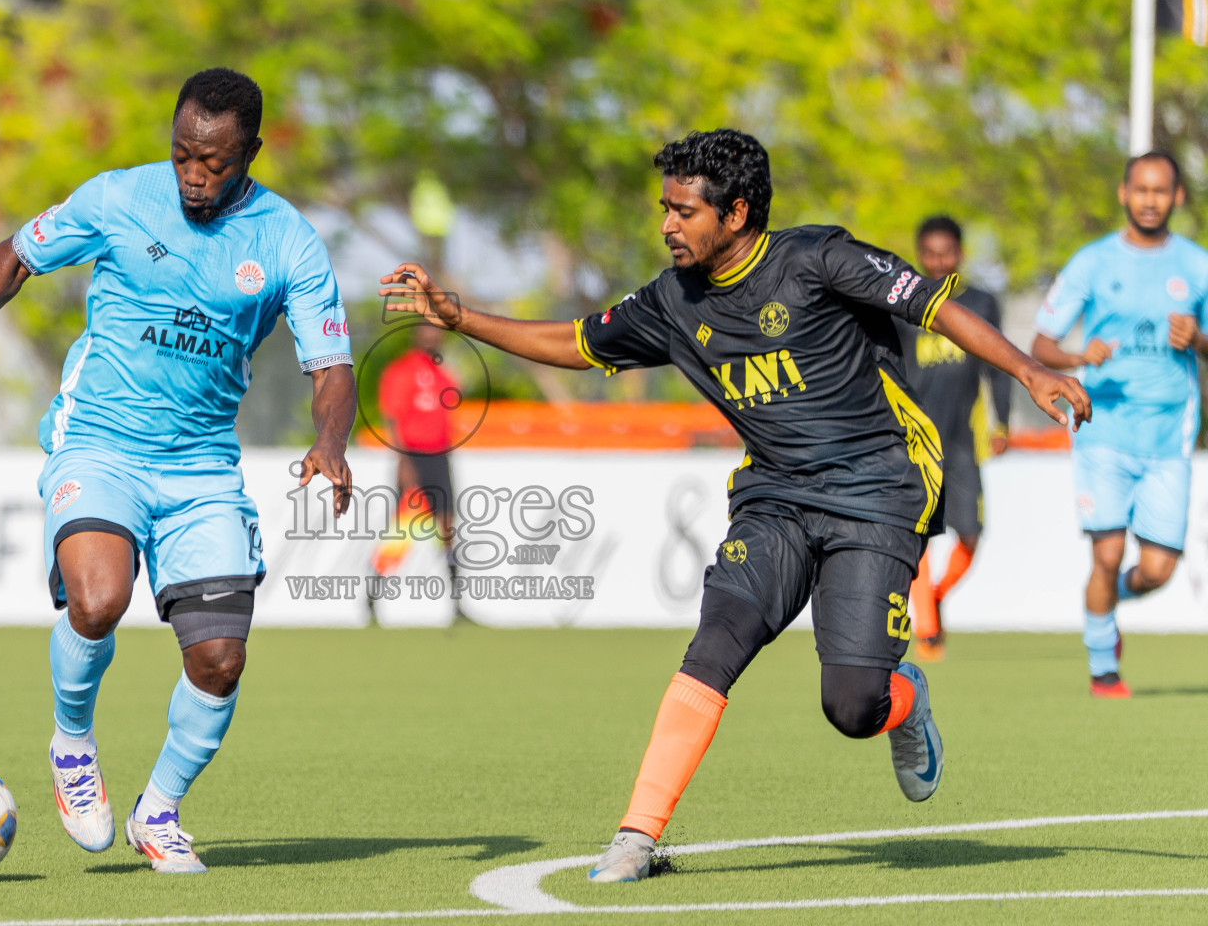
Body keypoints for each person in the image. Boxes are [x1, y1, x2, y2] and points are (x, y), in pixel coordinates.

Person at [381, 129, 1089, 883]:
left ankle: (906, 699)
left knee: (852, 705)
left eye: (684, 211)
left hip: (877, 488)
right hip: (774, 496)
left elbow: (937, 309)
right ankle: (635, 835)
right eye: (665, 208)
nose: (667, 225)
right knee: (717, 639)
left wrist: (1029, 369)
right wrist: (460, 316)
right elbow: (576, 341)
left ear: (737, 210)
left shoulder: (819, 258)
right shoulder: (672, 300)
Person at [0, 68, 356, 873]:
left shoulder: (288, 240)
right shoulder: (119, 199)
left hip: (201, 471)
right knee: (98, 599)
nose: (193, 175)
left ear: (250, 154)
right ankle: (72, 742)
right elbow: (20, 254)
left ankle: (158, 811)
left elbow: (330, 365)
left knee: (220, 661)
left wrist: (330, 444)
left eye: (214, 163)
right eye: (182, 154)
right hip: (100, 442)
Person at [1031, 151, 1208, 699]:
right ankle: (1103, 665)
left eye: (1161, 191)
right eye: (1141, 190)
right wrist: (1081, 354)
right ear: (1123, 194)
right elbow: (1039, 346)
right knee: (1106, 553)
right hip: (1100, 425)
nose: (1150, 200)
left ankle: (1111, 602)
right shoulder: (1093, 262)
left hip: (1168, 433)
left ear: (1177, 197)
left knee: (1156, 569)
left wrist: (1197, 340)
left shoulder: (1197, 264)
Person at [895, 216, 1011, 661]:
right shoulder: (904, 303)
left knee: (970, 535)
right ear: (921, 254)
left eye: (947, 253)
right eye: (931, 253)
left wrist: (1002, 422)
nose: (939, 261)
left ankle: (936, 597)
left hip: (964, 442)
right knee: (919, 537)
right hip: (914, 439)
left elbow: (998, 364)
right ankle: (927, 626)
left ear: (959, 254)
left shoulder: (980, 304)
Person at [369, 321, 466, 622]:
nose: (433, 336)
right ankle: (371, 597)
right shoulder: (401, 371)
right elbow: (393, 419)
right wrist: (403, 461)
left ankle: (457, 604)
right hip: (413, 456)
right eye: (427, 331)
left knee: (447, 527)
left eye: (437, 332)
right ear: (417, 336)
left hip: (440, 456)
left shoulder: (442, 372)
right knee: (402, 530)